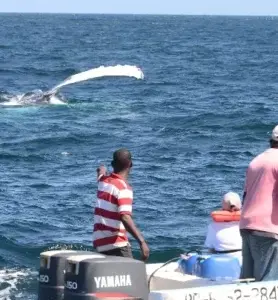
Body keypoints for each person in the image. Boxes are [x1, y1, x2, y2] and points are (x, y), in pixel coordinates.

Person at [93, 148, 150, 261]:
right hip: (117, 245)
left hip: (100, 244)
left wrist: (102, 169)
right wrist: (142, 242)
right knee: (131, 277)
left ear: (113, 164)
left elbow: (100, 172)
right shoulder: (123, 189)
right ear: (130, 164)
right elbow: (124, 216)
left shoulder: (103, 182)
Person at [240, 125, 278, 281]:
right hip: (267, 229)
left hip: (247, 225)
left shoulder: (257, 160)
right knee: (267, 282)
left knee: (247, 283)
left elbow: (246, 194)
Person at [204, 192, 242, 264]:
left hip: (221, 263)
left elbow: (210, 248)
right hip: (243, 261)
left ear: (222, 207)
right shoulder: (247, 223)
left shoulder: (213, 226)